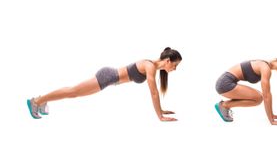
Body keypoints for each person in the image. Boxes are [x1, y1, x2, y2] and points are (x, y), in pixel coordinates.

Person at [27, 47, 182, 122]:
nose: (175, 69)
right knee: (72, 92)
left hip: (109, 79)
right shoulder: (150, 66)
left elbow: (155, 93)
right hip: (107, 76)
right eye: (175, 65)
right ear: (167, 61)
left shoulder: (152, 66)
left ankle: (42, 100)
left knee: (72, 92)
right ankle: (36, 101)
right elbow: (153, 92)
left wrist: (161, 110)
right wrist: (159, 116)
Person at [214, 51, 277, 125]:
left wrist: (272, 115)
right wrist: (271, 120)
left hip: (224, 83)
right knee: (259, 97)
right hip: (224, 84)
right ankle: (224, 105)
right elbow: (267, 95)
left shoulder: (265, 65)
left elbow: (266, 95)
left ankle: (225, 105)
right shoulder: (265, 68)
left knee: (258, 98)